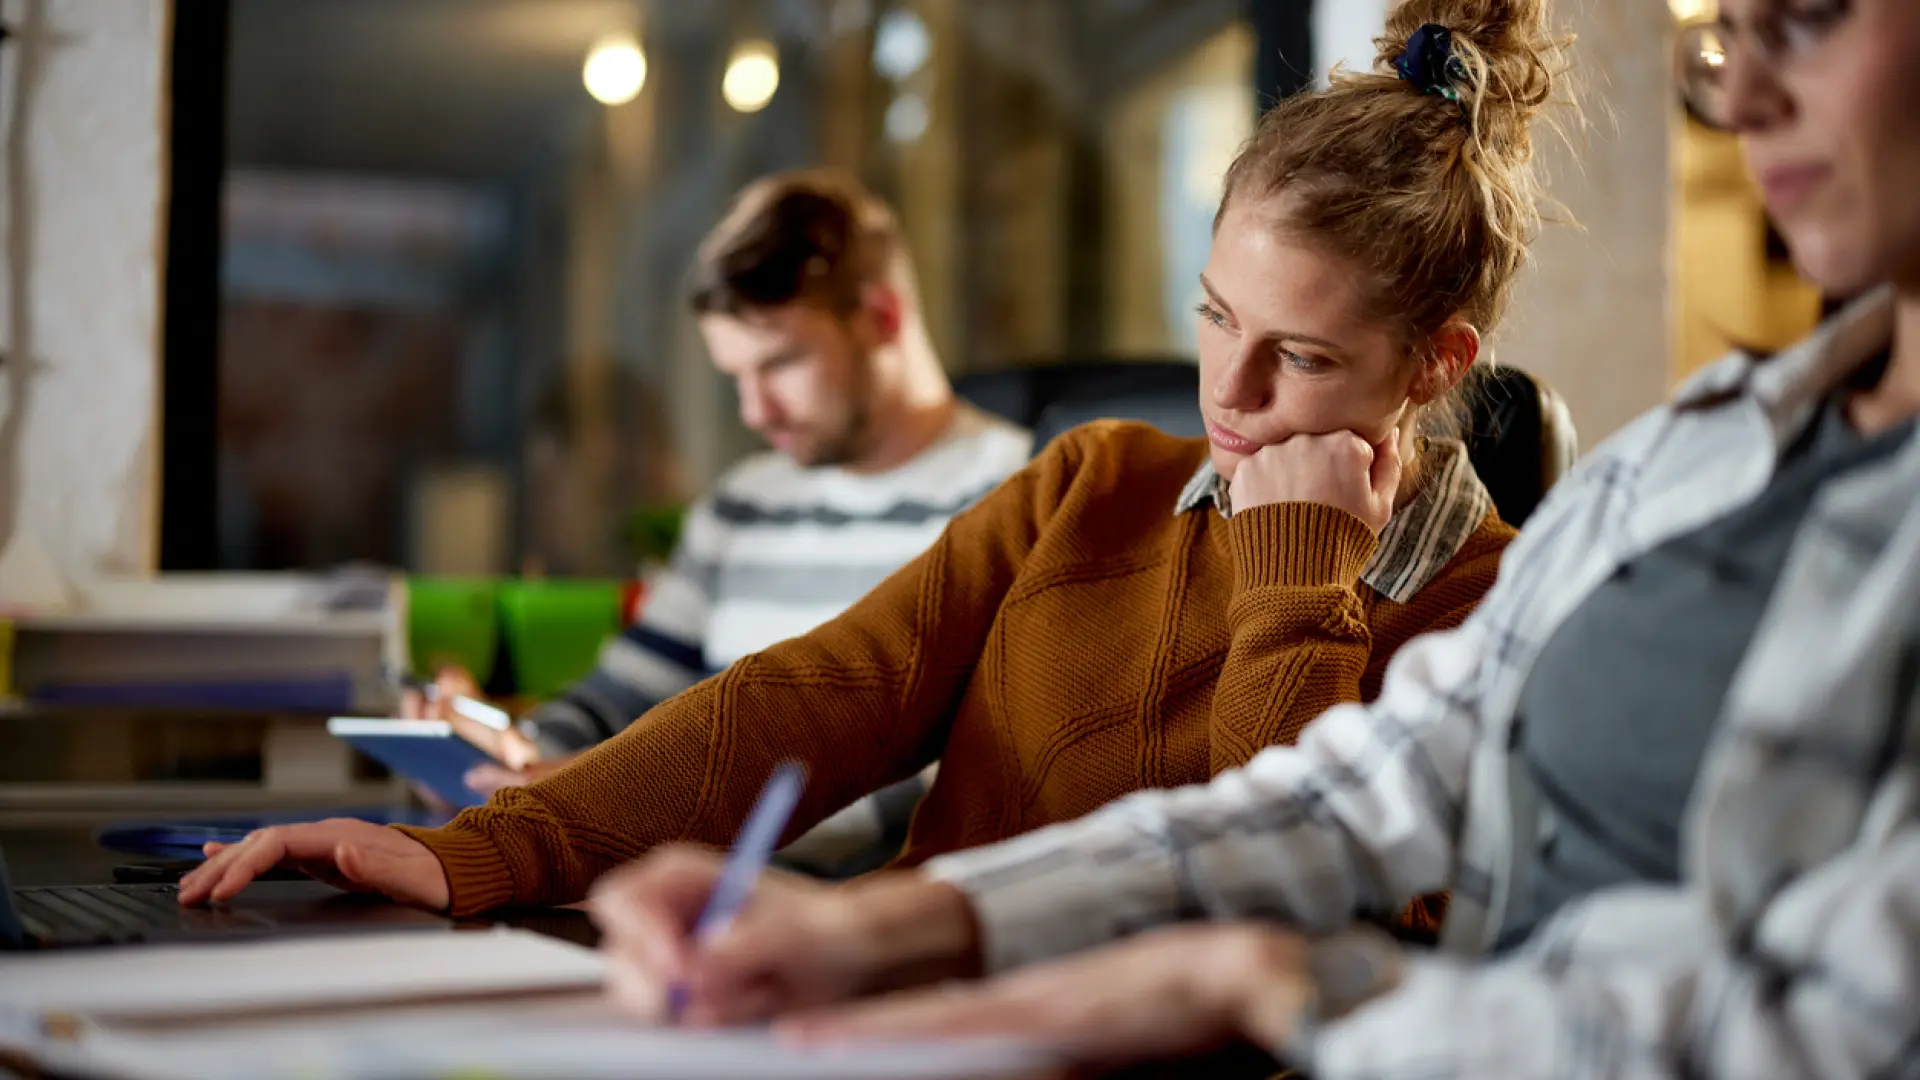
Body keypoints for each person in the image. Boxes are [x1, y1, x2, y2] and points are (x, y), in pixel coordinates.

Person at [582, 1, 1920, 1077]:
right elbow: (1351, 794)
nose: (1738, 98)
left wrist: (1265, 980)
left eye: (1815, 14)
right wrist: (877, 926)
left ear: (1428, 366)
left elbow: (1834, 1027)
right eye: (1213, 318)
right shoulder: (1683, 457)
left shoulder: (1482, 576)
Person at [178, 0, 1542, 915]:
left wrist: (1298, 573)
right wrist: (476, 851)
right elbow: (821, 696)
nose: (1228, 397)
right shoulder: (1096, 483)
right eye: (1213, 317)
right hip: (875, 1021)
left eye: (1300, 359)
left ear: (1437, 365)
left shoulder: (1500, 608)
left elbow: (1268, 897)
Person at [417, 170, 1034, 869]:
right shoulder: (744, 502)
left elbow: (952, 780)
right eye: (736, 375)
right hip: (691, 896)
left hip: (868, 920)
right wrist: (505, 758)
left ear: (882, 318)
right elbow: (620, 699)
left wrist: (630, 799)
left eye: (781, 363)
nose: (755, 411)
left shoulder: (1018, 495)